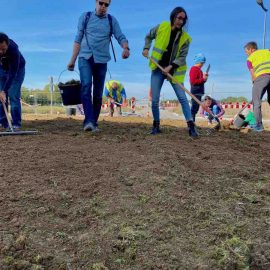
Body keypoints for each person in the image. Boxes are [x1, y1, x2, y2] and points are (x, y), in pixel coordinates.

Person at [67, 0, 130, 131]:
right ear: (96, 2)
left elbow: (120, 36)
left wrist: (125, 47)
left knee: (97, 93)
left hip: (102, 60)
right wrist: (72, 60)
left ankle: (93, 122)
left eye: (106, 5)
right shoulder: (85, 17)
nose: (103, 6)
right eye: (101, 3)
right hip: (85, 57)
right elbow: (78, 39)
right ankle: (88, 121)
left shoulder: (112, 20)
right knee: (85, 86)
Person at [142, 6, 198, 137]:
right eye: (179, 18)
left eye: (184, 19)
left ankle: (191, 126)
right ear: (173, 17)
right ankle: (156, 125)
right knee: (155, 99)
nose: (181, 21)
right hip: (157, 68)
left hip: (174, 71)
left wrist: (171, 67)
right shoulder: (162, 27)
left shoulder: (185, 38)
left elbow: (182, 57)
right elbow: (149, 36)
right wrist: (146, 48)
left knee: (183, 98)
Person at [0, 33, 25, 130]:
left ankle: (16, 123)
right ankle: (3, 122)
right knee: (1, 98)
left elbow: (12, 74)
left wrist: (3, 91)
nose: (1, 52)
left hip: (17, 70)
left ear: (8, 44)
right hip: (2, 69)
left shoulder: (13, 50)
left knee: (13, 95)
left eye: (3, 49)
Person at [244, 41, 270, 132]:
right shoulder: (267, 51)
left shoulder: (250, 59)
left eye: (246, 52)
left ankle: (258, 126)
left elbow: (253, 74)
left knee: (256, 102)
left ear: (251, 49)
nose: (246, 54)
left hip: (261, 77)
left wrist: (254, 83)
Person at [189, 53, 208, 122]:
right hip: (195, 92)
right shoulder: (194, 69)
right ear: (199, 62)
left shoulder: (199, 70)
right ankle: (191, 123)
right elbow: (193, 81)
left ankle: (192, 122)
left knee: (196, 109)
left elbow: (201, 81)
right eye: (202, 63)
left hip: (199, 92)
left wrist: (205, 79)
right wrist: (203, 79)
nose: (203, 65)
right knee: (194, 108)